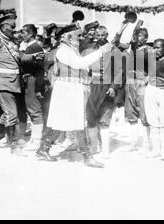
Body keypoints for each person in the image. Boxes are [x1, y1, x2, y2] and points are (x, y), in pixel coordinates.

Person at [38, 24, 112, 167]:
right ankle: (87, 156)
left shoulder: (71, 49)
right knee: (73, 121)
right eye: (77, 35)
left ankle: (43, 149)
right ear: (67, 36)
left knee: (68, 121)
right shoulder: (63, 50)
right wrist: (100, 52)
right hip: (66, 89)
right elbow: (79, 63)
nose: (80, 37)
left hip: (71, 89)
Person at [0, 14, 33, 157]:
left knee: (7, 116)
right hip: (3, 83)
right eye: (11, 26)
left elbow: (18, 59)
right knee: (12, 115)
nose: (13, 29)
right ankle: (14, 145)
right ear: (3, 27)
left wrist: (31, 58)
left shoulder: (11, 42)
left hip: (15, 84)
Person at [85, 26, 123, 159]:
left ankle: (105, 150)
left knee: (105, 117)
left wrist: (114, 87)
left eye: (102, 35)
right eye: (98, 35)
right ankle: (93, 147)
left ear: (106, 35)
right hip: (92, 85)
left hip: (106, 85)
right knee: (91, 116)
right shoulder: (92, 49)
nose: (100, 38)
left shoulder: (114, 50)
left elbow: (119, 71)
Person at [115, 27, 152, 153]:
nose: (138, 38)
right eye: (136, 35)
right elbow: (115, 43)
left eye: (141, 35)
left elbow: (153, 69)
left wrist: (147, 79)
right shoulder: (129, 49)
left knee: (144, 112)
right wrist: (123, 27)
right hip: (130, 83)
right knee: (131, 113)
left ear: (146, 38)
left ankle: (147, 143)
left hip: (142, 83)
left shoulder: (149, 50)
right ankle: (133, 142)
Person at [20, 24, 45, 150]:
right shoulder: (30, 47)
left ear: (30, 34)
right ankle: (33, 140)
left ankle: (36, 142)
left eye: (23, 32)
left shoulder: (35, 47)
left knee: (35, 111)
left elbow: (41, 70)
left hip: (32, 81)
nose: (21, 34)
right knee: (31, 110)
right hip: (28, 80)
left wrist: (39, 88)